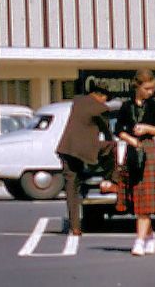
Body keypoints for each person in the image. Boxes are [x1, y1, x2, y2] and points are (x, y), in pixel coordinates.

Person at [114, 69, 155, 256]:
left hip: (149, 151)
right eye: (147, 88)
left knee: (146, 199)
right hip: (132, 151)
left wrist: (147, 128)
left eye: (152, 88)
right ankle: (150, 236)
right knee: (137, 197)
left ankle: (139, 240)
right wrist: (131, 139)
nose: (150, 92)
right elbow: (118, 129)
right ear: (137, 87)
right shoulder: (126, 106)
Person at [56, 83, 114, 236]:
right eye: (106, 99)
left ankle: (75, 226)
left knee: (71, 189)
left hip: (67, 148)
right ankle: (111, 178)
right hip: (83, 151)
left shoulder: (78, 101)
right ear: (101, 96)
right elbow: (107, 131)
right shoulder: (100, 108)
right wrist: (110, 142)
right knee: (112, 146)